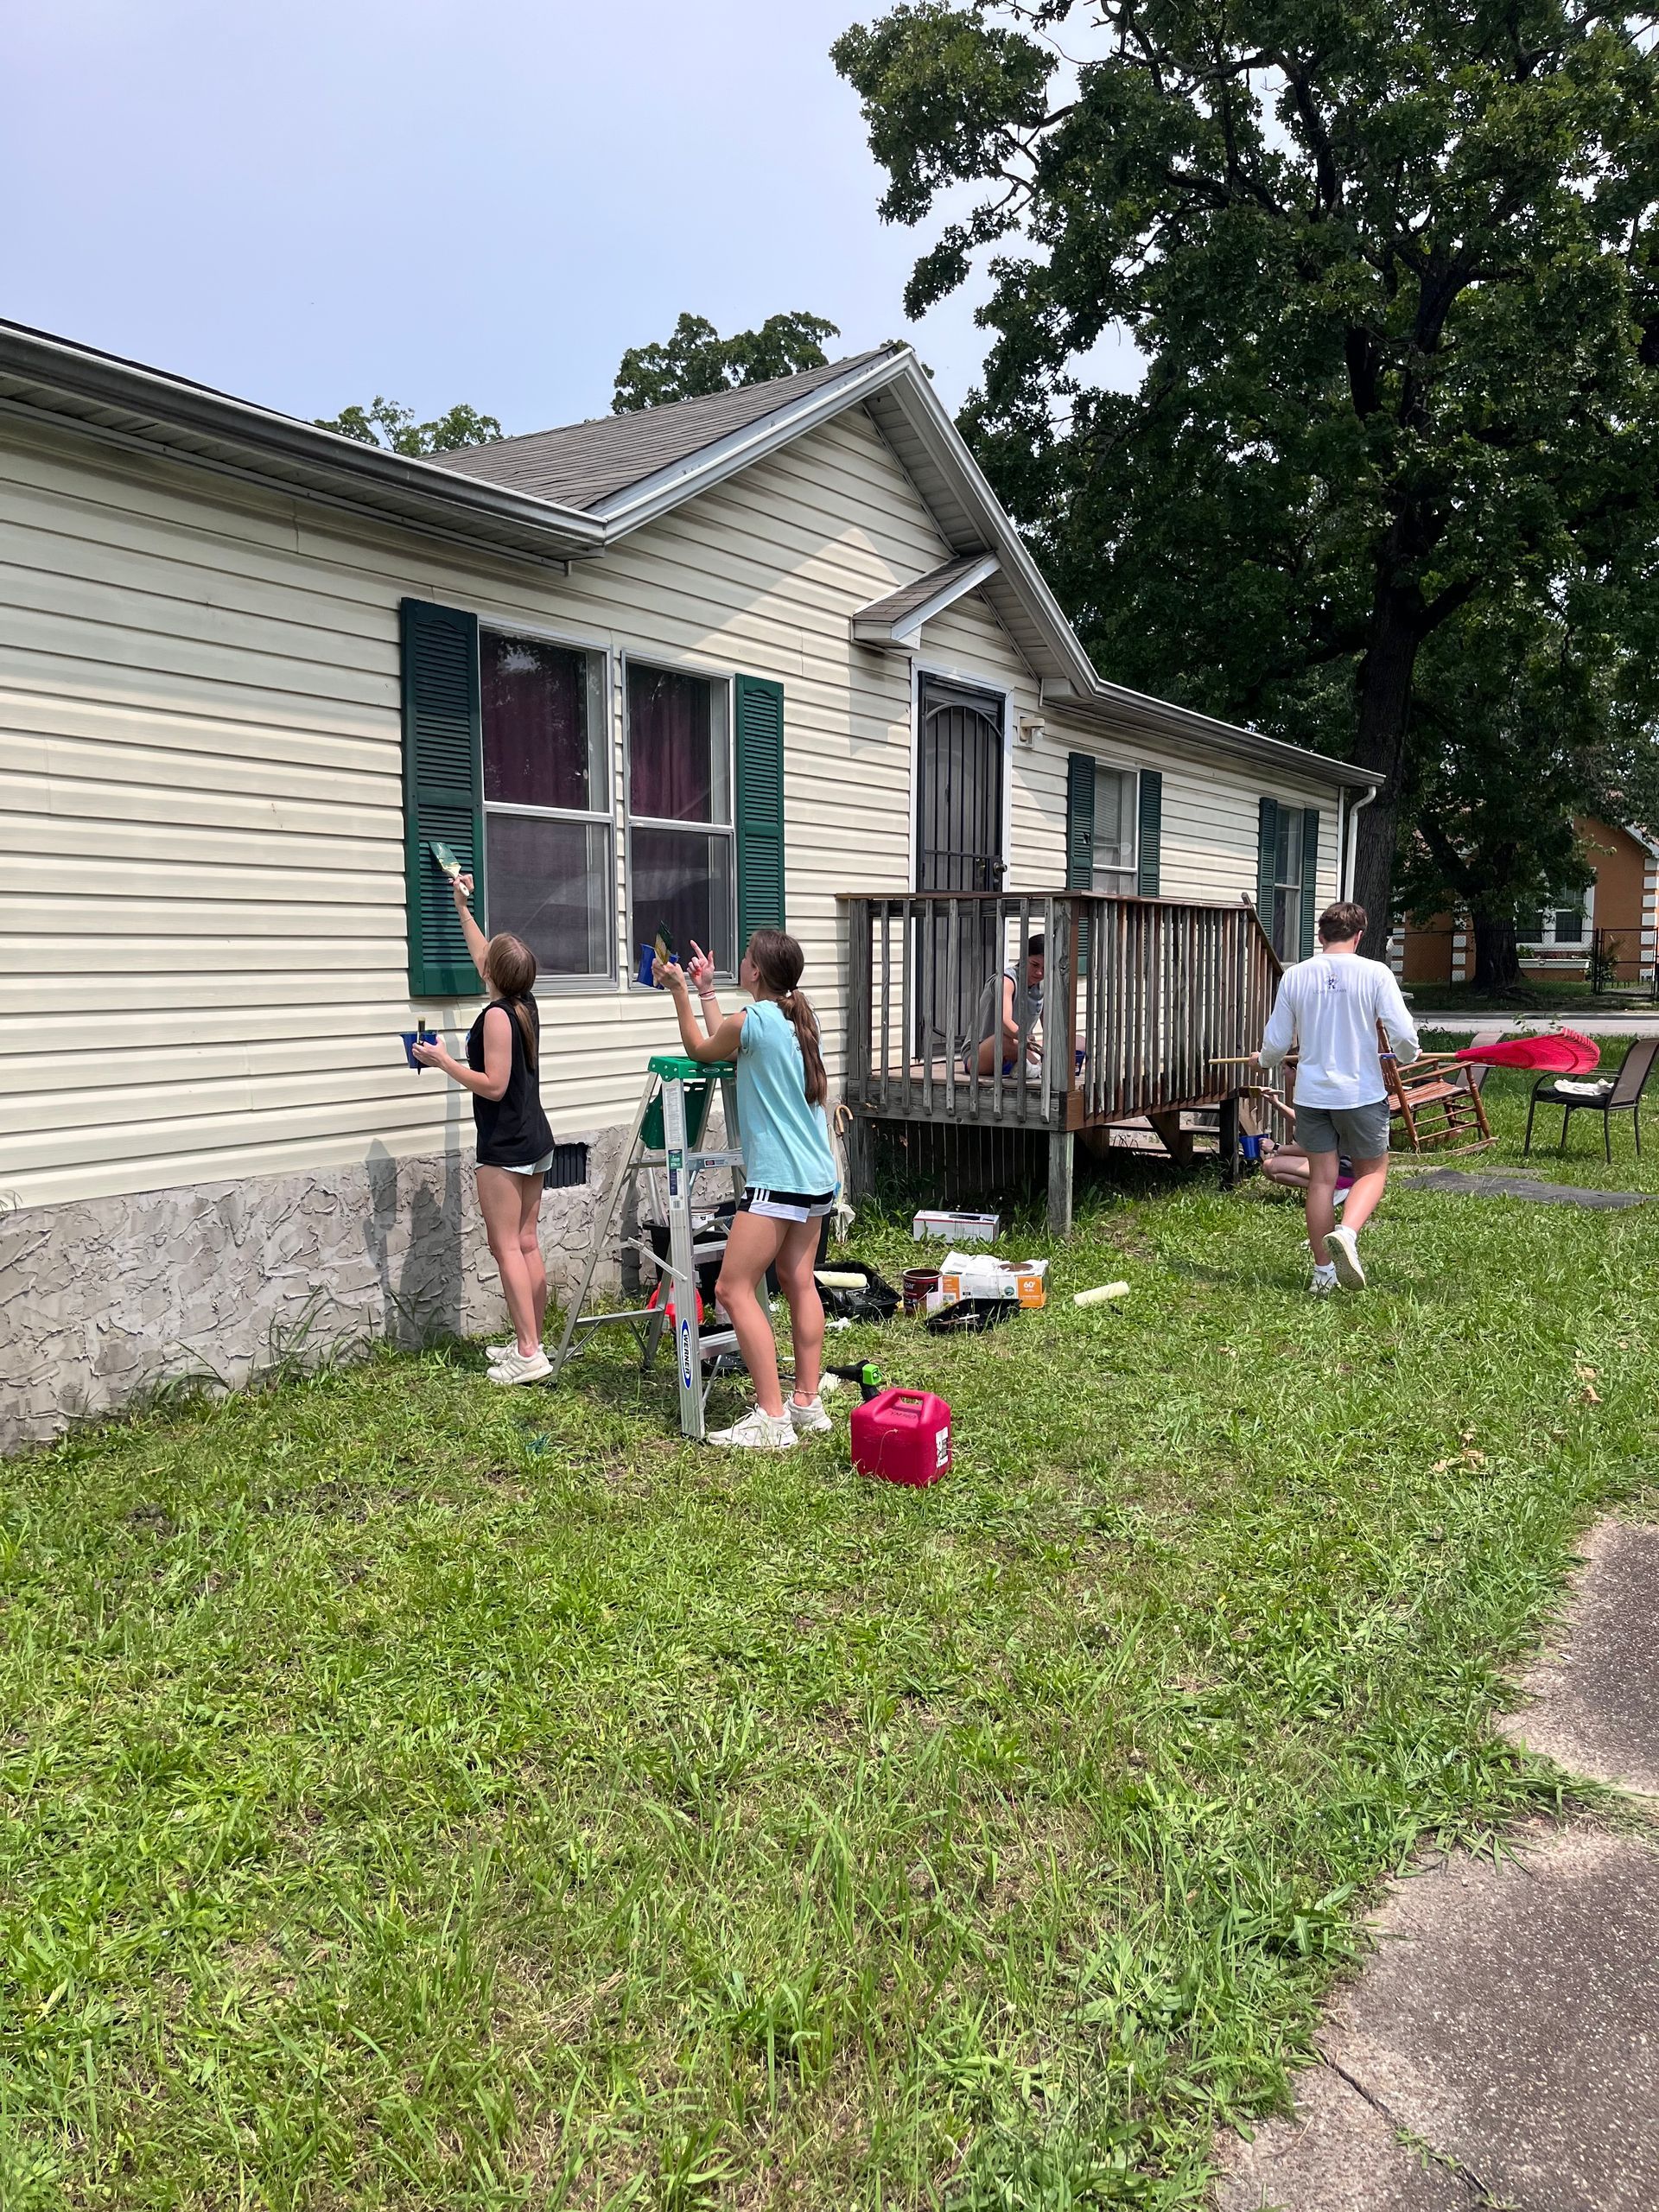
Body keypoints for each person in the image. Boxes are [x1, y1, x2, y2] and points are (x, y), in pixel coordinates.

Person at [655, 928, 838, 1451]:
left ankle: (771, 1418)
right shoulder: (798, 1017)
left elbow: (700, 1047)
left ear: (756, 972)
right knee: (798, 1279)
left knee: (732, 1289)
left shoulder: (753, 1020)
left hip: (778, 1179)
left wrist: (680, 992)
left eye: (744, 958)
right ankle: (806, 1402)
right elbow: (725, 1043)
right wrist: (708, 991)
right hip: (817, 1174)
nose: (739, 961)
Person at [411, 872, 556, 1383]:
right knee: (527, 1242)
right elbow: (483, 952)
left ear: (494, 974)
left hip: (507, 1143)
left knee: (506, 1247)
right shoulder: (523, 1001)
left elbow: (493, 1086)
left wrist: (443, 1060)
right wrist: (459, 905)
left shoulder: (497, 1016)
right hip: (535, 1136)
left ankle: (527, 1351)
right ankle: (533, 1339)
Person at [1256, 900, 1418, 1294]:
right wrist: (1408, 1055)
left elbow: (1277, 1043)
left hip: (1313, 1096)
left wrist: (1262, 1060)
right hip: (1361, 1093)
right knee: (1373, 1172)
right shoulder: (1375, 972)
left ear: (1321, 935)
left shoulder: (1296, 975)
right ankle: (1347, 1232)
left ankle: (1323, 1274)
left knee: (1321, 1182)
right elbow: (1402, 1033)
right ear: (1359, 936)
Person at [969, 934, 1045, 1078]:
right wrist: (1028, 1041)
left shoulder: (1044, 986)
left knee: (1078, 1041)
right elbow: (1004, 1022)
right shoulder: (1007, 981)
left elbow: (1051, 1029)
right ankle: (1035, 1067)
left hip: (1019, 1047)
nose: (1039, 972)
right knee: (1003, 1040)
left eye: (1045, 967)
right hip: (983, 1054)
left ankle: (1031, 1066)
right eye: (1034, 965)